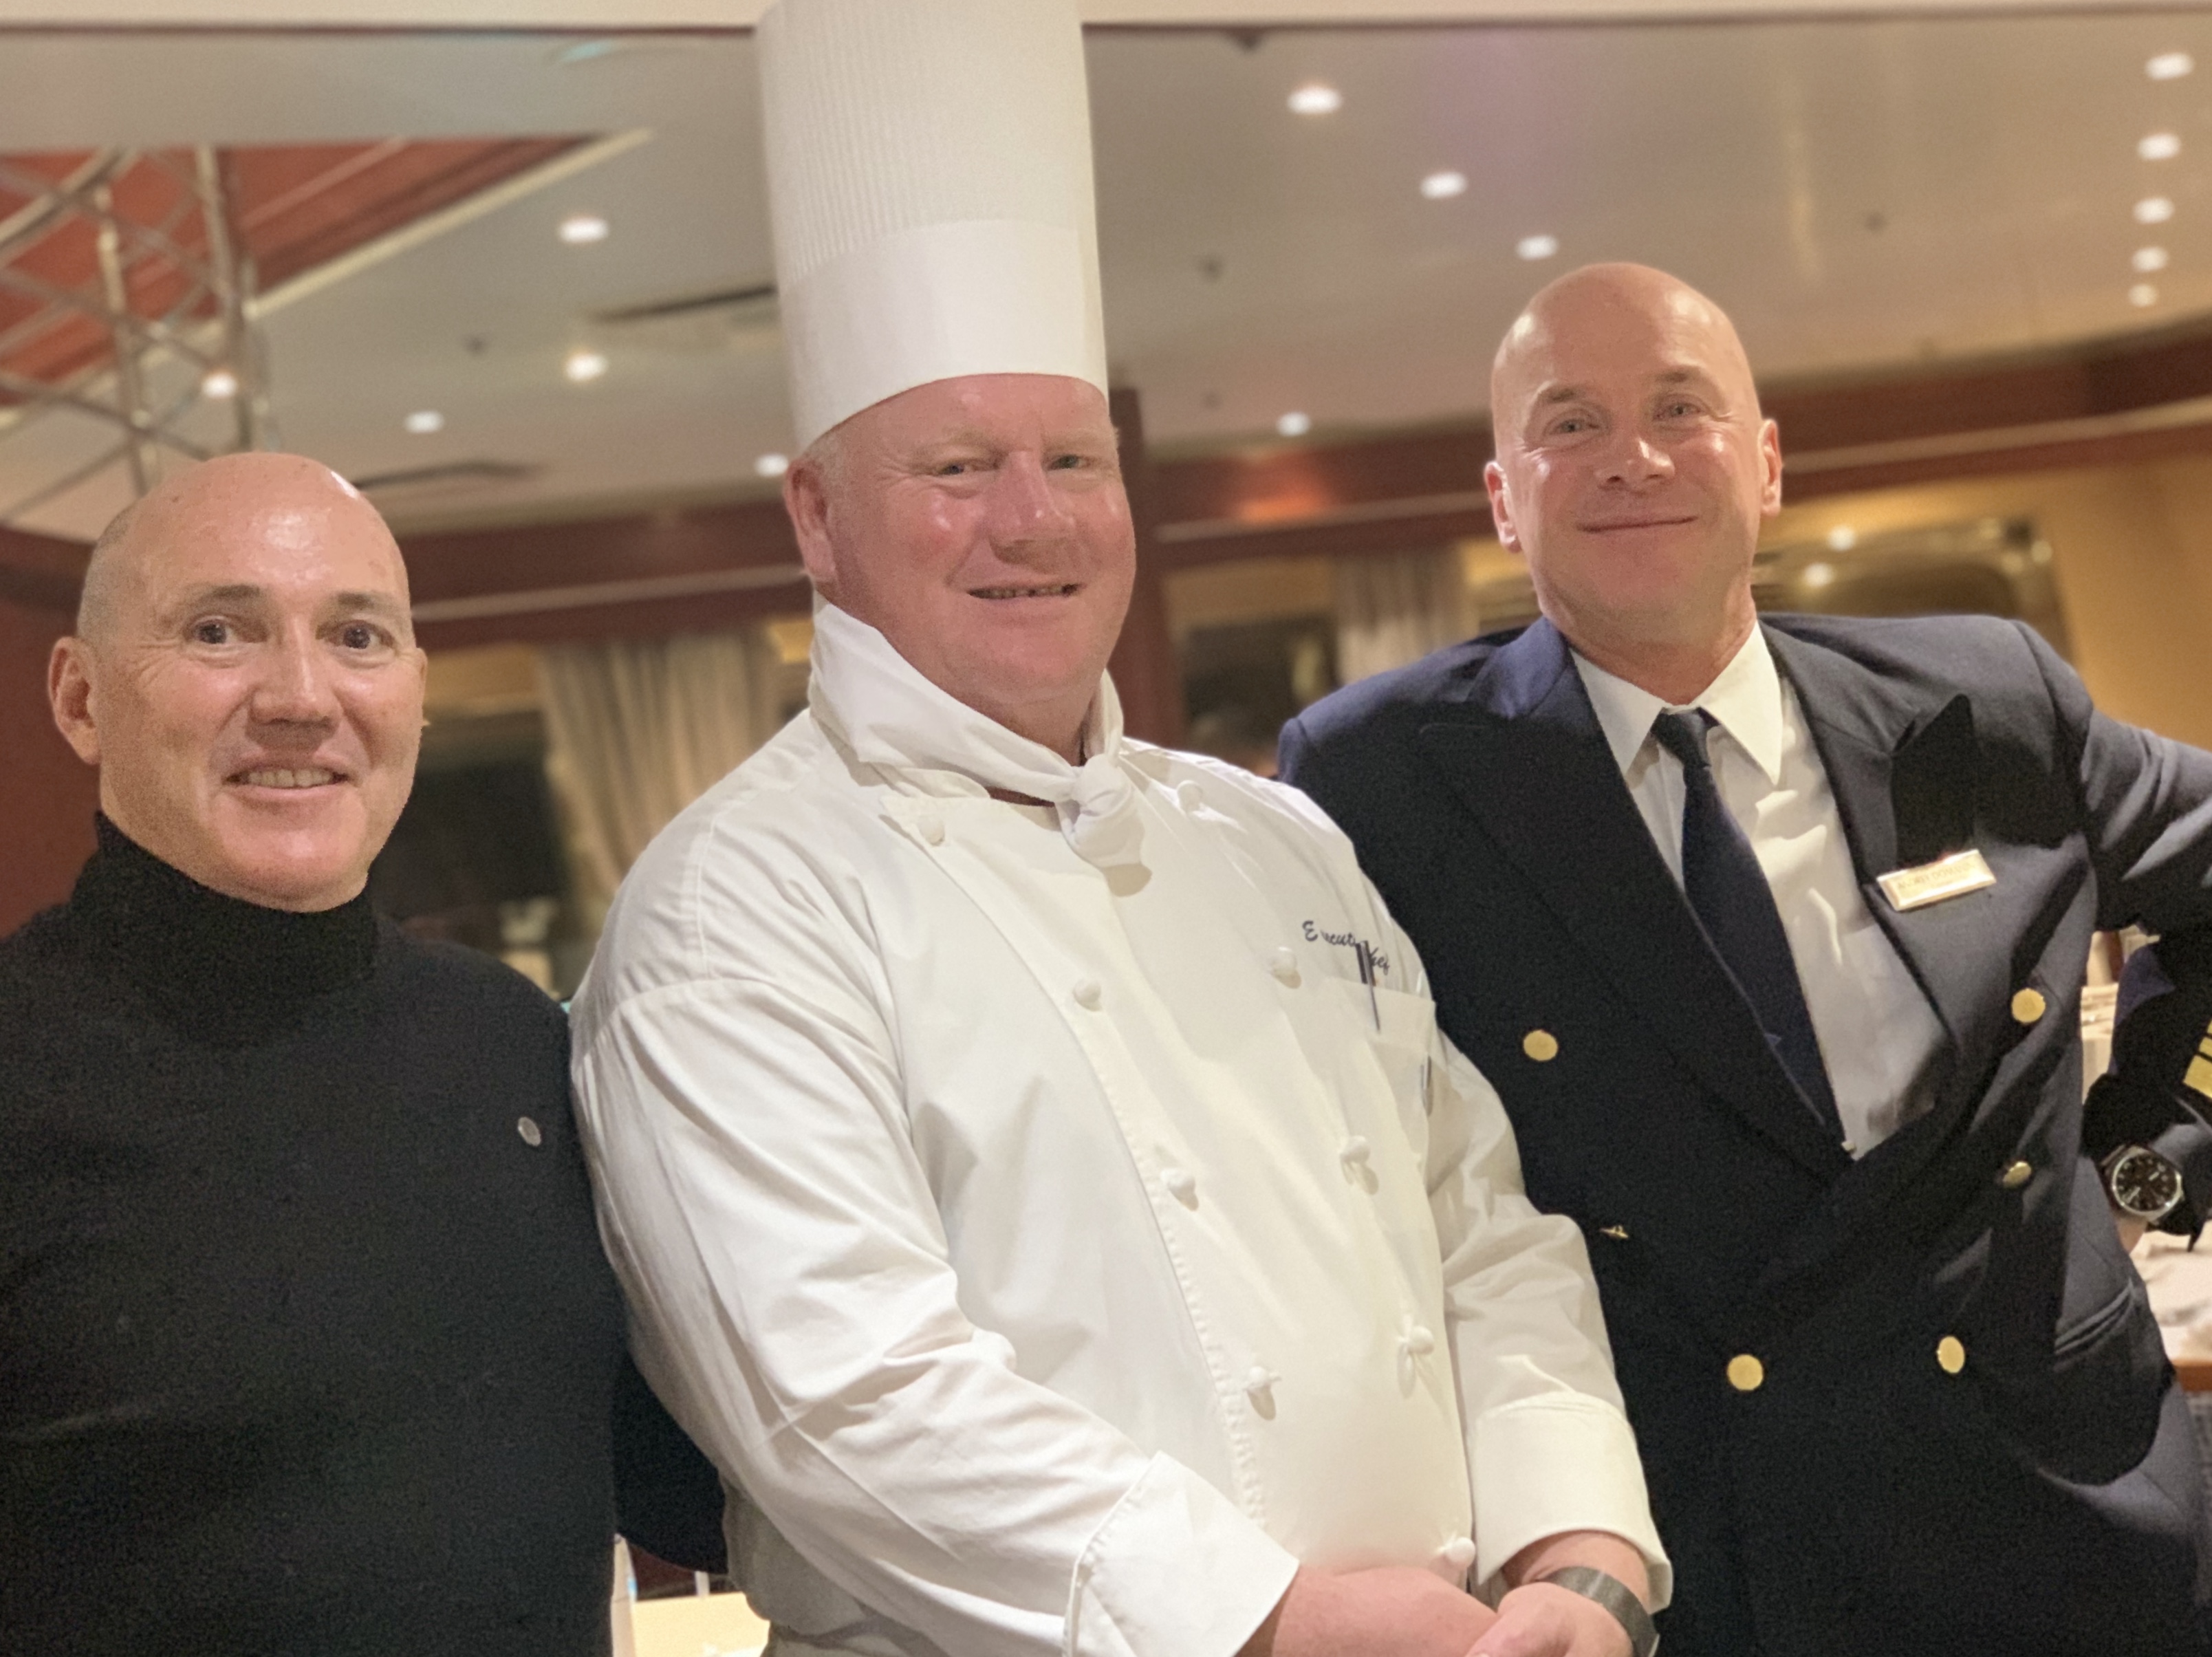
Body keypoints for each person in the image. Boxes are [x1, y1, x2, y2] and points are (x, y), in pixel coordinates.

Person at [570, 5, 1665, 1657]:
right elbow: (842, 1395)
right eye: (956, 465)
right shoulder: (737, 906)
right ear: (817, 514)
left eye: (1073, 456)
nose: (1032, 518)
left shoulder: (1276, 838)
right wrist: (1270, 1617)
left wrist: (1577, 1552)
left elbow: (1481, 1223)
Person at [1281, 261, 2212, 1656]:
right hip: (1704, 1552)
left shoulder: (1983, 701)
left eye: (1681, 407)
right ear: (1503, 497)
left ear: (1766, 463)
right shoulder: (1386, 777)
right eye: (1571, 422)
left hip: (2063, 1511)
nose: (1635, 457)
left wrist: (2159, 1140)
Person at [0, 451, 724, 1655]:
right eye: (220, 631)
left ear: (415, 693)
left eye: (357, 636)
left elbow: (677, 1485)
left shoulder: (514, 1041)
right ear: (80, 700)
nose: (301, 695)